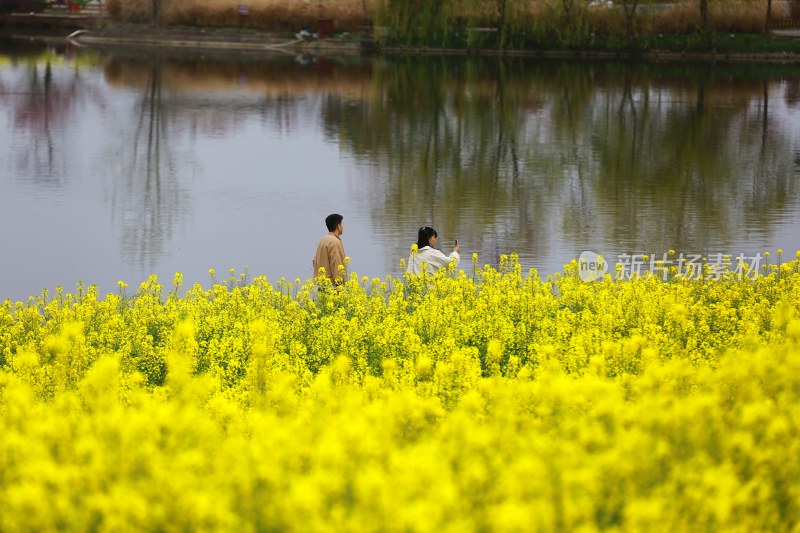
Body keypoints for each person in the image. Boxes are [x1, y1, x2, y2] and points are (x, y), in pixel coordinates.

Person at [313, 214, 346, 285]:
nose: (342, 226)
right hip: (332, 288)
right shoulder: (335, 242)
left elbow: (315, 261)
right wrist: (340, 286)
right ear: (338, 226)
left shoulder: (322, 240)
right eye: (341, 224)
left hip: (321, 285)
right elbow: (337, 264)